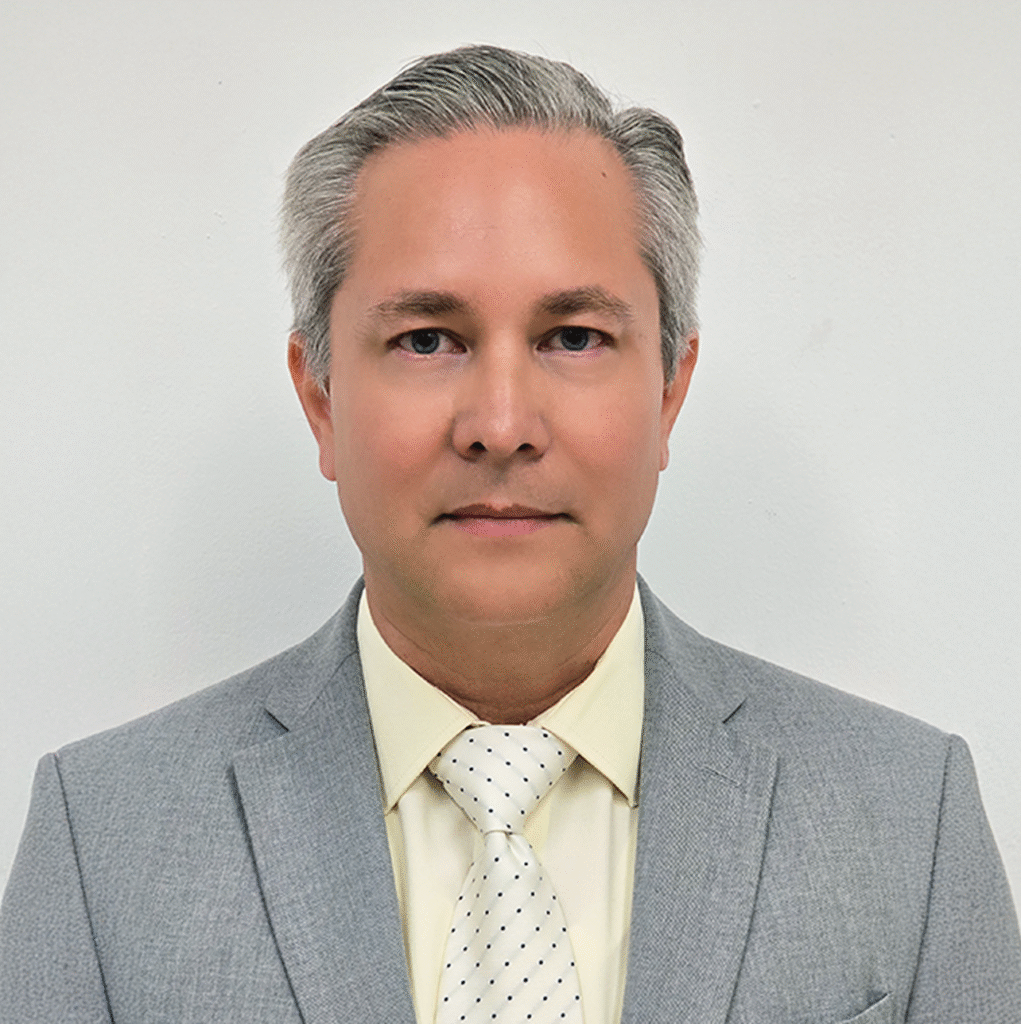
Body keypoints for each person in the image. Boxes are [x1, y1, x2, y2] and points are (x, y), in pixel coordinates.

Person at [1, 44, 1018, 1024]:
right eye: (426, 339)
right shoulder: (102, 844)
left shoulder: (907, 819)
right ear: (320, 399)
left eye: (573, 337)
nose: (500, 423)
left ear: (669, 390)